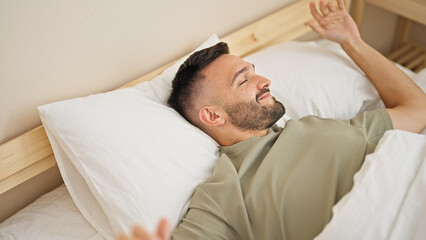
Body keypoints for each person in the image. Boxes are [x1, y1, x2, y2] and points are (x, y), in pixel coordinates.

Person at [118, 0, 426, 239]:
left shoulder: (318, 126)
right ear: (212, 115)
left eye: (254, 72)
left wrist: (351, 42)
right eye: (244, 80)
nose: (264, 80)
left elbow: (417, 109)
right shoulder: (224, 192)